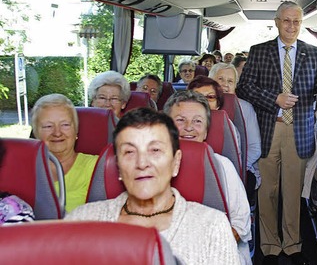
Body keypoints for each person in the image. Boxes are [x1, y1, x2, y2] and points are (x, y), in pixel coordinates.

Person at [235, 1, 317, 264]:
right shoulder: (259, 51)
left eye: (296, 21)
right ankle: (270, 244)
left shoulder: (311, 52)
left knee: (293, 192)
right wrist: (274, 98)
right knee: (268, 191)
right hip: (268, 128)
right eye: (286, 20)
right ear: (276, 22)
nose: (291, 26)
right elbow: (245, 88)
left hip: (299, 130)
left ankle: (293, 243)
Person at [66, 108, 241, 264]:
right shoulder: (81, 221)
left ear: (175, 162)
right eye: (129, 152)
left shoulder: (212, 226)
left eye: (155, 150)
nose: (142, 163)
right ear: (118, 166)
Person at [163, 91, 252, 264]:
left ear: (205, 131)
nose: (189, 127)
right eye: (180, 120)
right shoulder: (148, 166)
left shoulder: (222, 166)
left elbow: (240, 224)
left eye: (197, 121)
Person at [31, 94, 99, 213]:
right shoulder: (21, 169)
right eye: (48, 126)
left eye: (65, 125)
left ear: (76, 130)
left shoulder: (98, 167)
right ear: (36, 132)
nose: (57, 133)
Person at [209, 62, 263, 190]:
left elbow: (254, 148)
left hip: (241, 167)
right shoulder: (200, 106)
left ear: (235, 85)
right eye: (220, 79)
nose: (225, 84)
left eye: (230, 81)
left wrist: (235, 170)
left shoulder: (245, 108)